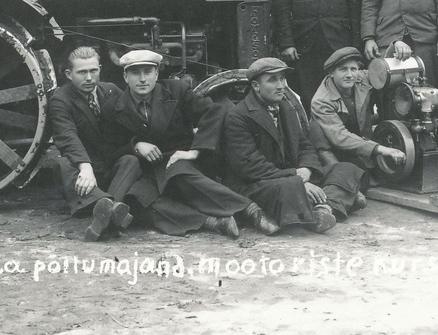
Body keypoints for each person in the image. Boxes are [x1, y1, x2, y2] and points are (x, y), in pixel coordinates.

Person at [107, 50, 254, 238]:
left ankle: (249, 209)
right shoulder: (114, 106)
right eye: (135, 73)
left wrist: (195, 151)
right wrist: (136, 146)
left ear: (157, 74)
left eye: (148, 72)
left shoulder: (177, 90)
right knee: (136, 199)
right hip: (147, 172)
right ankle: (212, 222)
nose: (142, 79)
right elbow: (110, 148)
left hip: (179, 159)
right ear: (125, 77)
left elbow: (213, 112)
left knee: (179, 173)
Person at [223, 58, 366, 234]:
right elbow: (250, 166)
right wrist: (297, 178)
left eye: (282, 79)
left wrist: (306, 169)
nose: (281, 85)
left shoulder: (286, 108)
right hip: (259, 182)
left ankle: (323, 209)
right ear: (255, 86)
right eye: (272, 80)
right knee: (288, 188)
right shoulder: (238, 116)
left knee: (346, 169)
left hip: (292, 175)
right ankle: (337, 201)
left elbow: (305, 146)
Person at [48, 47, 139, 242]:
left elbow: (133, 121)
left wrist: (139, 142)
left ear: (99, 69)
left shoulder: (112, 90)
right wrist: (85, 166)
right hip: (82, 174)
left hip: (108, 167)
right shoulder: (60, 100)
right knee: (63, 163)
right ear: (68, 74)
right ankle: (111, 210)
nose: (89, 78)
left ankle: (106, 210)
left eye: (93, 71)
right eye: (82, 72)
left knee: (131, 160)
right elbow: (67, 136)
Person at [308, 47, 405, 173]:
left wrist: (395, 45)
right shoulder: (321, 101)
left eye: (353, 69)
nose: (349, 75)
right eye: (343, 70)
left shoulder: (361, 78)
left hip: (362, 143)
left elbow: (384, 70)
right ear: (331, 73)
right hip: (336, 149)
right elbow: (340, 137)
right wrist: (381, 149)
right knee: (358, 178)